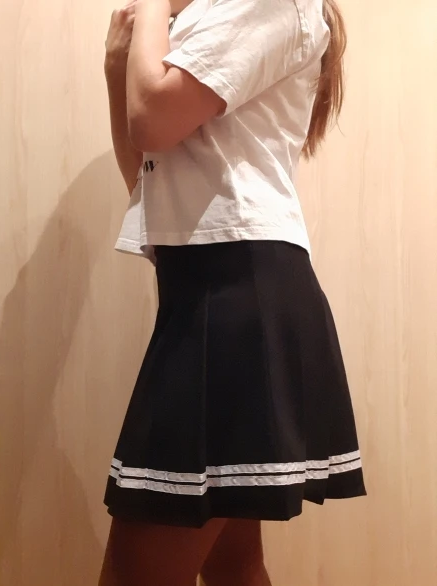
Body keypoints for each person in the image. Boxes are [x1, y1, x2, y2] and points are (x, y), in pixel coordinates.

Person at [100, 0, 366, 584]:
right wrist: (119, 68)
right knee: (234, 566)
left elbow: (152, 118)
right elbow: (146, 175)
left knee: (139, 575)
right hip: (214, 294)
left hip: (235, 293)